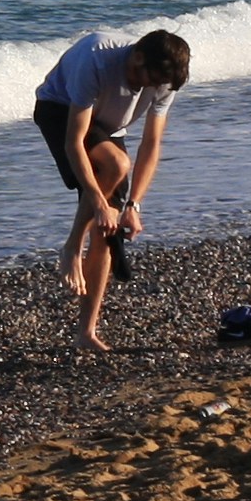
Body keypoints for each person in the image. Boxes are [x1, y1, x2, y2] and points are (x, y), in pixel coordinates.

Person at [32, 24, 192, 349]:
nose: (146, 89)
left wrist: (133, 205)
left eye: (155, 86)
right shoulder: (97, 57)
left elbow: (152, 142)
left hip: (109, 127)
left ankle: (86, 333)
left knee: (109, 230)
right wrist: (98, 202)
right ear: (137, 58)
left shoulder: (164, 77)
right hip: (60, 111)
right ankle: (72, 247)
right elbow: (75, 142)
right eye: (144, 80)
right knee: (116, 166)